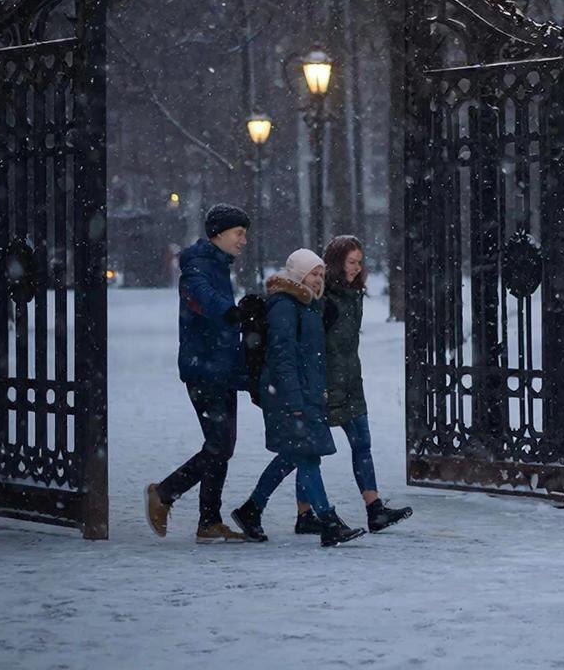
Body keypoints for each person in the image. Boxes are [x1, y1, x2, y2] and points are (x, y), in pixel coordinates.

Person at [231, 249, 365, 547]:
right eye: (313, 274)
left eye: (320, 274)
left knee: (295, 455)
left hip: (305, 393)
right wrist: (293, 401)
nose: (319, 280)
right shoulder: (284, 305)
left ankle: (251, 509)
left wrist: (318, 391)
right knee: (306, 457)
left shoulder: (307, 304)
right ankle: (329, 521)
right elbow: (284, 358)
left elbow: (311, 357)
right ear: (298, 274)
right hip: (289, 395)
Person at [145, 204, 251, 543]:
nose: (243, 241)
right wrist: (230, 312)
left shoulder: (218, 265)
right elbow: (200, 295)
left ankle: (208, 521)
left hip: (222, 369)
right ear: (218, 234)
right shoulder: (196, 264)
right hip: (203, 370)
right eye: (239, 234)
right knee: (219, 444)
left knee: (223, 444)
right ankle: (164, 493)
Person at [296, 235, 412, 534]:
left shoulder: (354, 294)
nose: (357, 268)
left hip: (350, 382)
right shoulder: (325, 298)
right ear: (336, 262)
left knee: (362, 444)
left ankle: (375, 509)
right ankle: (303, 513)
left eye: (360, 262)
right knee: (309, 451)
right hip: (325, 385)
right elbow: (311, 344)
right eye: (351, 262)